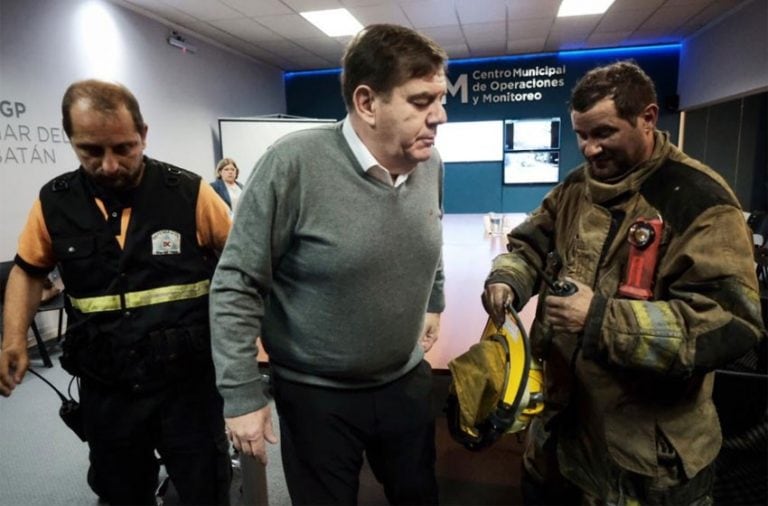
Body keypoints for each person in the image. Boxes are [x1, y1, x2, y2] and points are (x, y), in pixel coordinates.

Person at [482, 61, 765, 505]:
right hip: (559, 435)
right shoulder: (578, 187)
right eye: (581, 135)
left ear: (648, 118)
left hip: (641, 463)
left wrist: (599, 317)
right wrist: (508, 279)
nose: (589, 149)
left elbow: (731, 325)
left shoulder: (698, 202)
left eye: (604, 133)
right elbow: (532, 244)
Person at [210, 24, 448, 505]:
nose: (439, 116)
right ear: (367, 103)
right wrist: (240, 395)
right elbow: (237, 282)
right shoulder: (292, 165)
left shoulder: (430, 163)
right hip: (317, 396)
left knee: (419, 494)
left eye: (441, 100)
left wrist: (435, 300)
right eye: (421, 102)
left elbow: (431, 237)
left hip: (404, 382)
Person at [0, 79, 233, 506]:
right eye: (91, 150)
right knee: (121, 491)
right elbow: (29, 272)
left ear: (143, 135)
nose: (109, 165)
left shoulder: (189, 192)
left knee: (205, 487)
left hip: (186, 382)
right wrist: (14, 339)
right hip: (107, 385)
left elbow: (242, 267)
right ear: (70, 141)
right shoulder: (54, 202)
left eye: (124, 148)